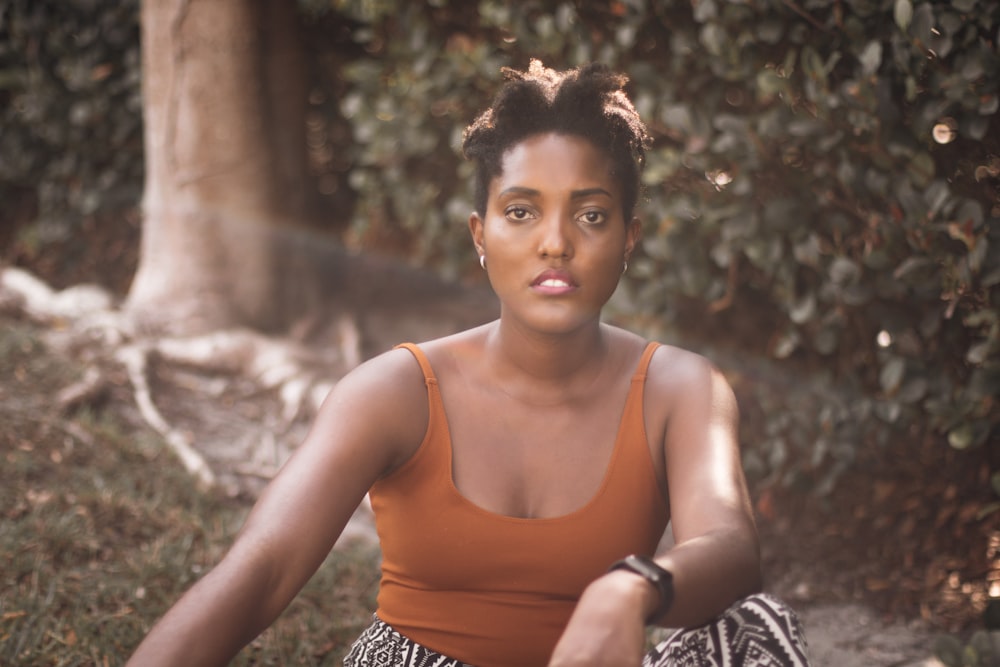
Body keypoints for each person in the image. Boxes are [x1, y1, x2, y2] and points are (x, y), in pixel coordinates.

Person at [127, 60, 810, 667]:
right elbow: (263, 568)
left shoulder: (678, 388)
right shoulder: (398, 391)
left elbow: (729, 548)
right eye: (521, 211)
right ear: (480, 236)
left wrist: (632, 585)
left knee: (754, 629)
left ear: (629, 238)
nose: (555, 243)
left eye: (592, 216)